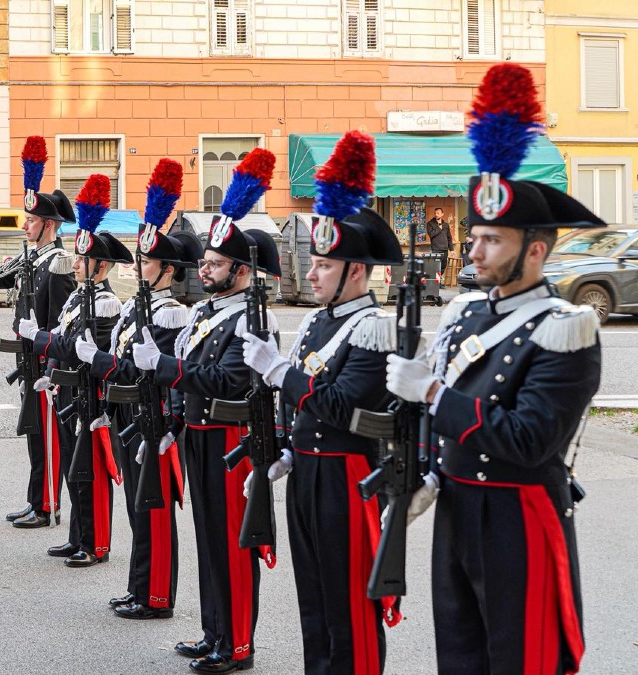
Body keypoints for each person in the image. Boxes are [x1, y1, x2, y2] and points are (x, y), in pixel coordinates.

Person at [386, 63, 603, 674]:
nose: (474, 251)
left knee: (521, 657)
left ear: (535, 249)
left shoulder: (565, 326)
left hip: (519, 517)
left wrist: (430, 391)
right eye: (475, 237)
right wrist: (424, 471)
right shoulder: (462, 314)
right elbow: (438, 413)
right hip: (456, 506)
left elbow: (529, 439)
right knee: (459, 654)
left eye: (492, 241)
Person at [243, 206, 403, 673]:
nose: (310, 274)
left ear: (355, 271)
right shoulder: (318, 322)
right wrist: (287, 450)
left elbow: (340, 407)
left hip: (346, 478)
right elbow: (304, 407)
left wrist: (277, 370)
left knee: (349, 600)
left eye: (324, 265)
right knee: (313, 598)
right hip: (309, 473)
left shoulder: (374, 327)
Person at [132, 220, 280, 674]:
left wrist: (166, 368)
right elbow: (193, 382)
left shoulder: (253, 318)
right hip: (199, 436)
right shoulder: (208, 311)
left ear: (240, 271)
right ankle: (214, 630)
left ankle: (237, 645)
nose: (205, 268)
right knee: (208, 539)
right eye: (206, 261)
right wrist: (174, 424)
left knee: (232, 544)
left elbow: (232, 380)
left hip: (231, 440)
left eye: (215, 264)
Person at [79, 225, 201, 617]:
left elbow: (143, 371)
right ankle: (138, 587)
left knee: (154, 509)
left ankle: (158, 597)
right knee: (136, 508)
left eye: (146, 261)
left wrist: (97, 361)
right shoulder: (137, 306)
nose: (137, 266)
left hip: (156, 422)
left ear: (167, 270)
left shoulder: (169, 314)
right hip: (131, 416)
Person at [20, 183, 128, 567]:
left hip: (89, 398)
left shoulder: (105, 301)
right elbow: (66, 341)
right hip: (67, 394)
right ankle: (77, 536)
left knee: (91, 473)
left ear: (101, 266)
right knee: (72, 469)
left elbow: (83, 353)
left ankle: (95, 543)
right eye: (78, 259)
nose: (76, 264)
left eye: (84, 261)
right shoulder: (79, 296)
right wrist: (51, 371)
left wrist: (43, 342)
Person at [0, 168, 77, 528]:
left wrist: (52, 366)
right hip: (27, 358)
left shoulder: (59, 264)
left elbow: (62, 322)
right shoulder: (32, 258)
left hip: (45, 361)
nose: (25, 226)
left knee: (47, 438)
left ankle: (48, 506)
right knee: (35, 433)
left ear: (49, 224)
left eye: (30, 220)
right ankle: (36, 500)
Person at [426, 207, 452, 276]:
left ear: (442, 214)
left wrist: (451, 250)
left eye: (438, 213)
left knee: (443, 266)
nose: (436, 214)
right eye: (435, 213)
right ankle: (437, 283)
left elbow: (449, 237)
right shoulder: (430, 224)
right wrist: (439, 228)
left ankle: (439, 281)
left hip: (445, 249)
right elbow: (431, 234)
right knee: (436, 266)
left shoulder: (446, 225)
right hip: (436, 249)